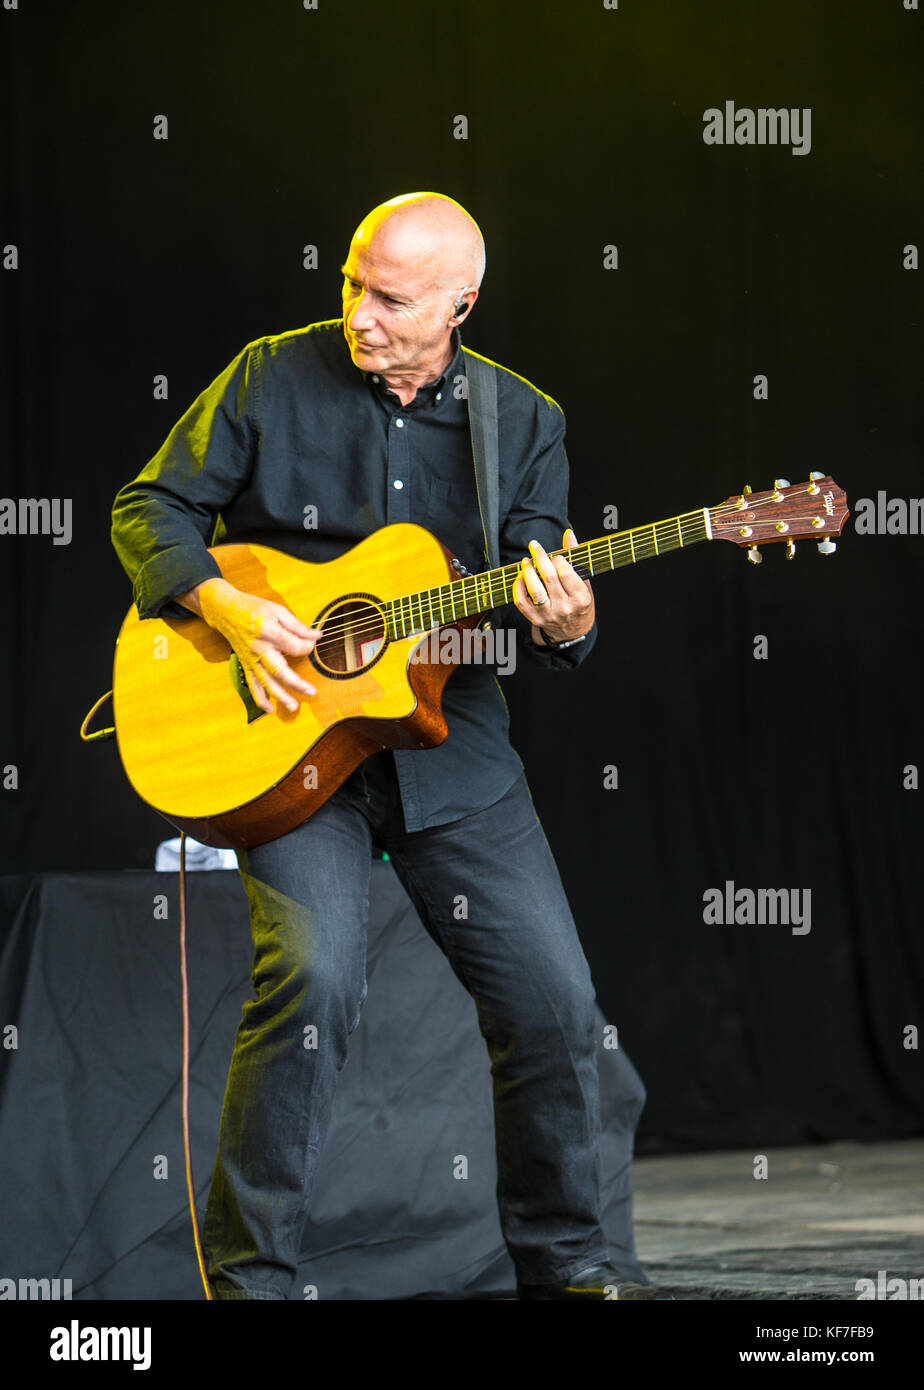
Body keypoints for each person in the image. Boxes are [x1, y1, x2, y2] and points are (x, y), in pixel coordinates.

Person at [111, 191, 655, 1301]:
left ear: (461, 304)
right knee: (310, 980)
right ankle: (253, 1285)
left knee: (556, 1003)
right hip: (292, 755)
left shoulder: (522, 419)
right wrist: (221, 603)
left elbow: (534, 609)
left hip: (453, 756)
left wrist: (573, 622)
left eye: (391, 299)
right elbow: (149, 505)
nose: (360, 312)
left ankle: (571, 1265)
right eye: (354, 283)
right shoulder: (272, 372)